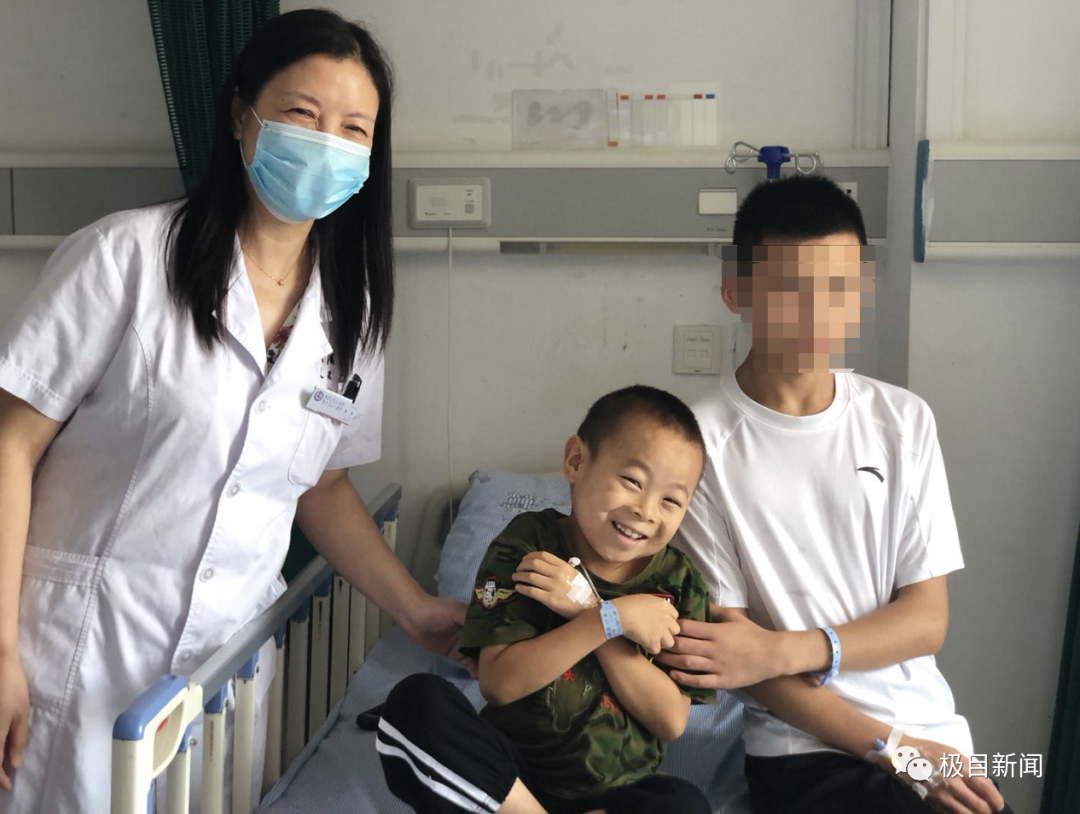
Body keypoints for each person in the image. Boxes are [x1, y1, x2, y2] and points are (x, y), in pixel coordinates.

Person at [0, 10, 466, 813]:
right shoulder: (125, 257)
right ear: (241, 115)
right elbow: (10, 443)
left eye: (353, 129)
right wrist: (0, 649)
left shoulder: (352, 313)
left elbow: (318, 486)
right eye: (302, 114)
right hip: (74, 650)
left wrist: (415, 608)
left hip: (223, 668)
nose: (326, 143)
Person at [660, 175, 1012, 813]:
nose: (818, 315)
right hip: (806, 750)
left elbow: (926, 620)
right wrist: (893, 751)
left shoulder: (902, 420)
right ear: (736, 290)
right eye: (791, 290)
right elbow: (737, 658)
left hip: (935, 736)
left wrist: (787, 649)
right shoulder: (697, 443)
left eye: (840, 289)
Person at [374, 386, 714, 814]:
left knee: (683, 806)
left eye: (671, 500)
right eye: (632, 482)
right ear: (576, 461)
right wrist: (606, 620)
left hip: (617, 794)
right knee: (414, 707)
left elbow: (670, 721)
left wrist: (597, 613)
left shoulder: (679, 583)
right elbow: (499, 685)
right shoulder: (529, 544)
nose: (646, 511)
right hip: (510, 781)